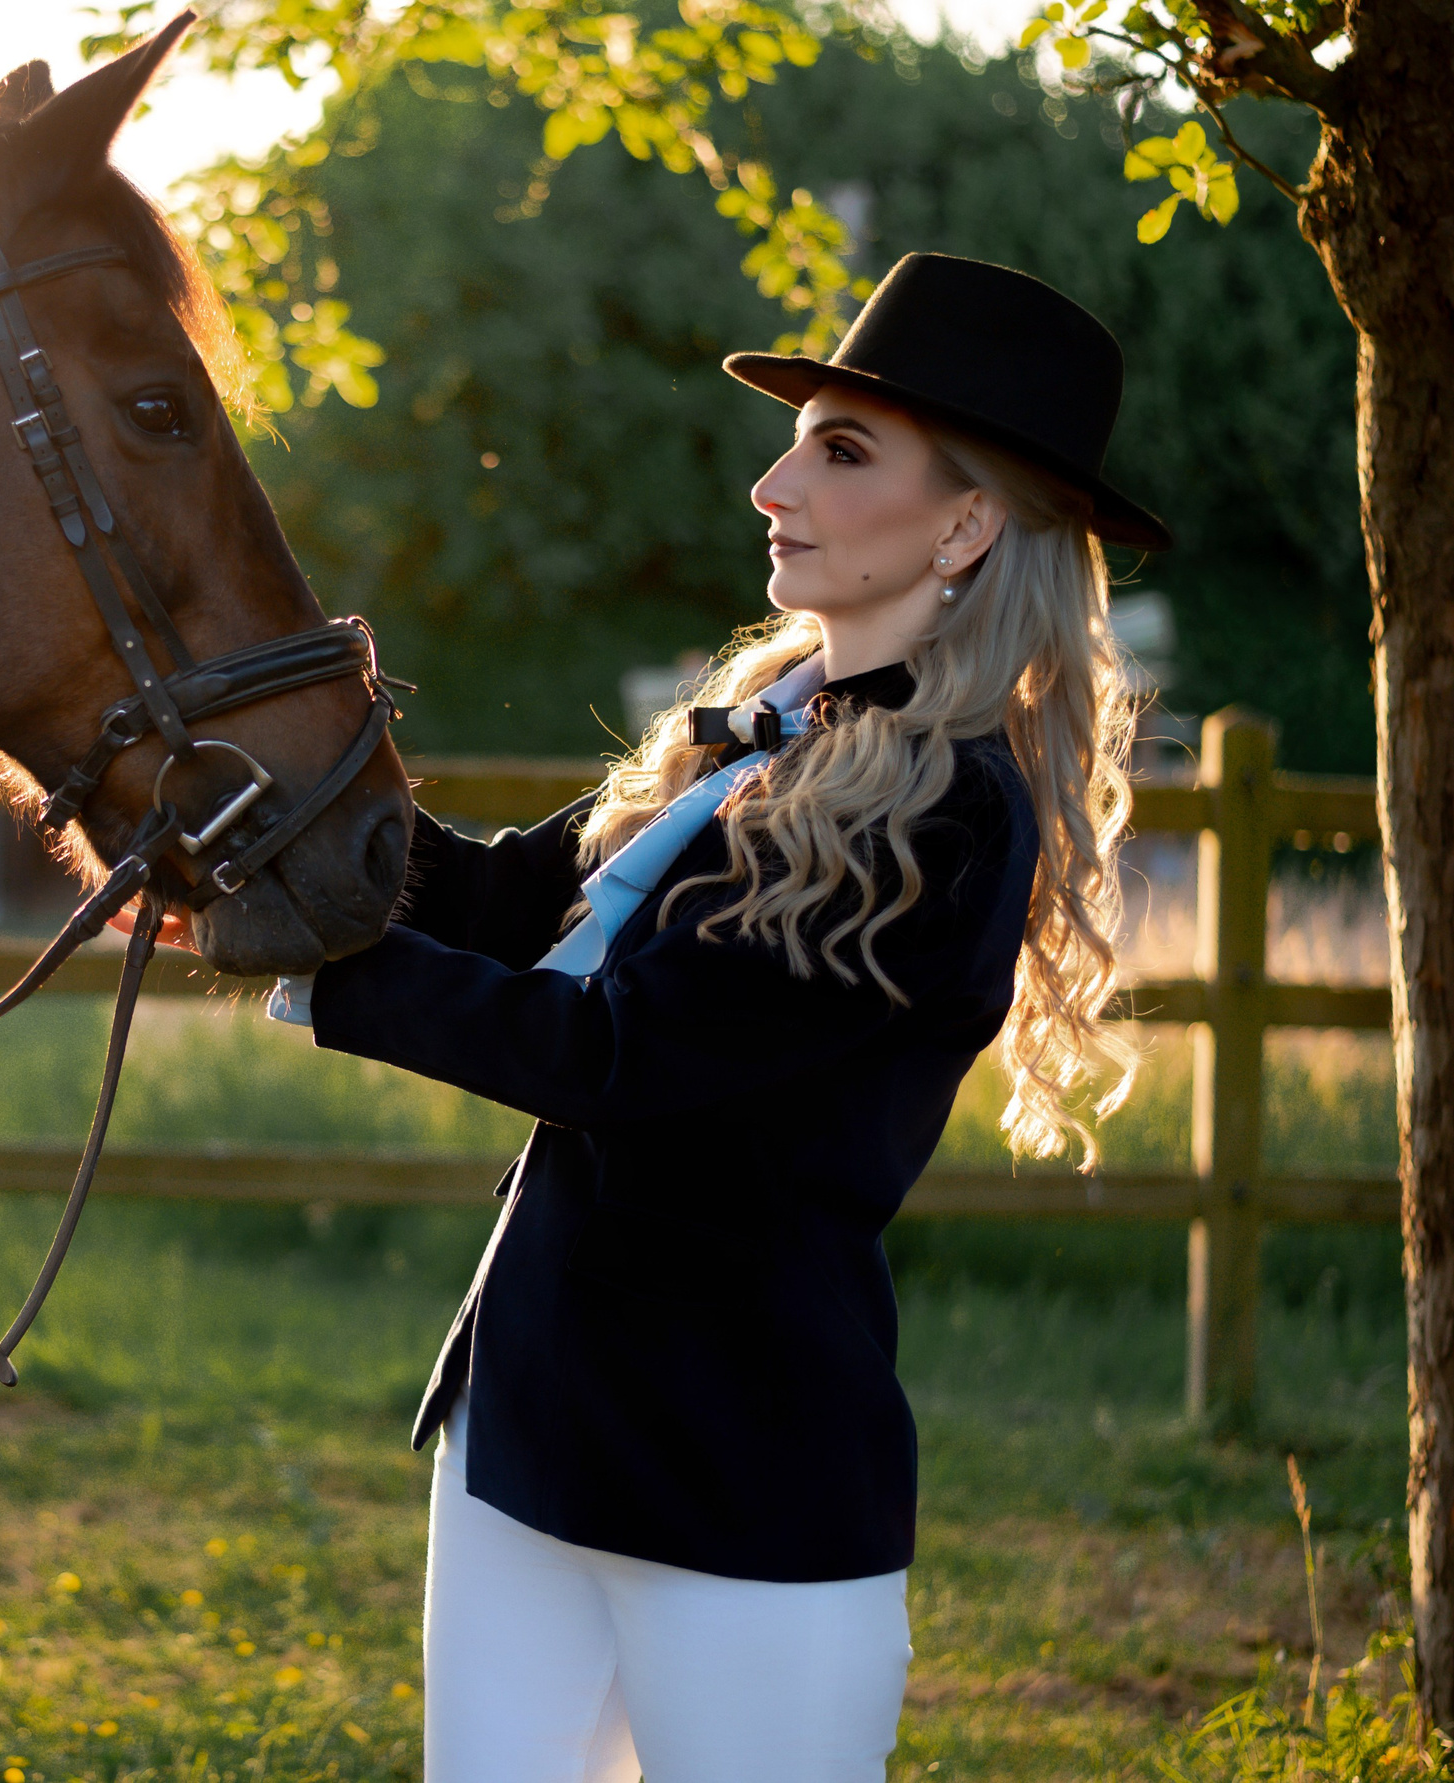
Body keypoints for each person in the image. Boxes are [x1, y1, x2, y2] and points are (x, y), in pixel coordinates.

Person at [264, 253, 1172, 1781]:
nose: (773, 486)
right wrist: (270, 828)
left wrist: (323, 973)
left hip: (738, 1483)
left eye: (842, 452)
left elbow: (616, 1057)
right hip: (527, 1423)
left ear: (965, 524)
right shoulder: (758, 731)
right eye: (796, 443)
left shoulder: (948, 813)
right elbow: (504, 902)